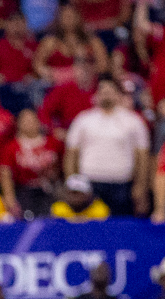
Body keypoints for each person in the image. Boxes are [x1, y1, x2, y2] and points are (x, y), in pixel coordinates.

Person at [62, 76, 152, 215]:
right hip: (90, 183)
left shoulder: (133, 121)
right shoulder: (83, 120)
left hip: (122, 183)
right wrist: (72, 183)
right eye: (102, 92)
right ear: (96, 95)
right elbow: (72, 154)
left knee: (119, 228)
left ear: (118, 95)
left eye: (110, 92)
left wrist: (140, 186)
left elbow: (143, 156)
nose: (106, 95)